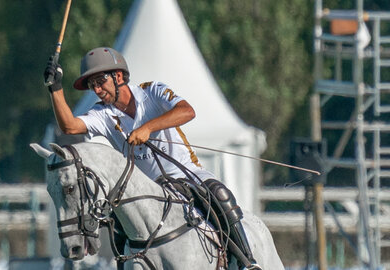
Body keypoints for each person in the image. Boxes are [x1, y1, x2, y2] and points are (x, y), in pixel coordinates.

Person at [44, 47, 259, 269]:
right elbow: (69, 126)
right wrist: (55, 88)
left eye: (100, 81)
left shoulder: (152, 91)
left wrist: (148, 127)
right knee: (119, 223)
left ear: (118, 76)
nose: (97, 90)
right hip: (146, 189)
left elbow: (187, 111)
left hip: (185, 173)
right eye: (92, 86)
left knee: (220, 194)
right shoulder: (102, 114)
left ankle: (246, 260)